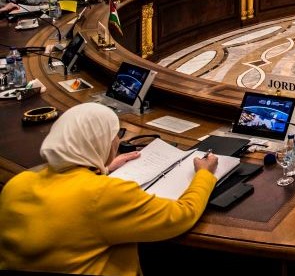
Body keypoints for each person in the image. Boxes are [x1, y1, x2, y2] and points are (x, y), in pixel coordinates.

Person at [0, 103, 218, 275]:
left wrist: (102, 168)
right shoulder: (105, 194)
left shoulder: (17, 184)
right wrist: (204, 175)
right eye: (116, 135)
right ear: (100, 142)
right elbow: (182, 215)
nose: (116, 141)